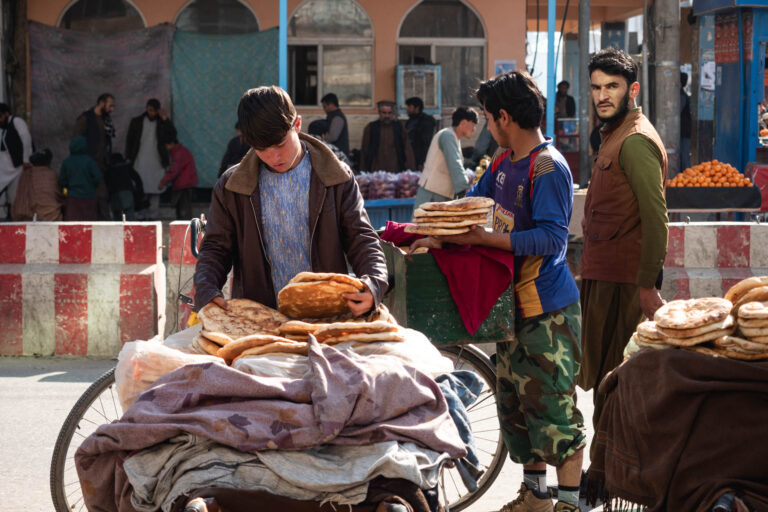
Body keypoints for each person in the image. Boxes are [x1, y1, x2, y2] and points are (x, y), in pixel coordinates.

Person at [410, 71, 585, 512]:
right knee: (516, 411)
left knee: (555, 416)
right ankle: (535, 498)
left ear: (505, 117)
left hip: (548, 312)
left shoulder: (548, 167)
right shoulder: (504, 163)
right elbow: (469, 205)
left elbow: (551, 239)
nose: (487, 125)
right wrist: (436, 234)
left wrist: (489, 240)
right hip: (510, 312)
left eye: (489, 117)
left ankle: (568, 504)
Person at [193, 86, 387, 316]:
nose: (274, 157)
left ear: (297, 124)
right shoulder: (231, 186)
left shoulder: (335, 177)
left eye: (280, 144)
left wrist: (373, 284)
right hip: (259, 318)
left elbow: (361, 238)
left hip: (328, 315)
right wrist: (206, 290)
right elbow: (216, 248)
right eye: (262, 149)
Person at [577, 48, 668, 427]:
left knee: (617, 384)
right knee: (603, 384)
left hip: (625, 284)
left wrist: (647, 285)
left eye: (612, 86)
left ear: (632, 90)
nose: (602, 95)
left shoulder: (634, 141)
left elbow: (656, 218)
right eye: (597, 87)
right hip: (604, 277)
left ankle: (611, 475)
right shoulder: (612, 136)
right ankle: (604, 473)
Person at [412, 106, 478, 211]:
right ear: (464, 123)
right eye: (473, 125)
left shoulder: (453, 137)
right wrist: (466, 190)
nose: (474, 129)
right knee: (423, 226)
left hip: (438, 195)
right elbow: (455, 164)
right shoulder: (447, 135)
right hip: (433, 196)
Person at [125, 98, 175, 219]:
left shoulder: (162, 123)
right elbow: (130, 141)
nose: (151, 113)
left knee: (155, 186)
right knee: (140, 186)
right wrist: (129, 157)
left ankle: (153, 215)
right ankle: (141, 215)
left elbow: (172, 135)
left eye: (154, 111)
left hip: (157, 160)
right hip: (140, 158)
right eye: (150, 110)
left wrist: (165, 119)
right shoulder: (137, 122)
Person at [74, 93, 115, 219]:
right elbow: (77, 141)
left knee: (101, 195)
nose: (111, 109)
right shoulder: (86, 118)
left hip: (101, 163)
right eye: (110, 105)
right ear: (102, 103)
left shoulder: (105, 119)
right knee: (97, 194)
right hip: (88, 163)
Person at [360, 100, 415, 173]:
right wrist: (363, 170)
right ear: (379, 113)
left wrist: (411, 169)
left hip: (395, 168)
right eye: (384, 113)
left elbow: (407, 148)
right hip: (376, 168)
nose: (387, 116)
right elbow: (365, 149)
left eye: (389, 113)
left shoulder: (399, 127)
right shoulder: (371, 127)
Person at [11, 148, 64, 221]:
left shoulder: (25, 174)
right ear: (48, 162)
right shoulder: (51, 174)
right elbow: (58, 195)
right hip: (51, 216)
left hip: (26, 217)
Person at [59, 135, 102, 221]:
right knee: (89, 224)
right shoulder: (89, 161)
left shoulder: (67, 162)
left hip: (72, 198)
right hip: (90, 196)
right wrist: (91, 187)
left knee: (73, 225)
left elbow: (62, 182)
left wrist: (65, 193)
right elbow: (97, 177)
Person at [0, 103, 33, 213]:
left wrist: (26, 160)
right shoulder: (5, 129)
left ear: (6, 114)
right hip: (8, 168)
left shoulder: (17, 121)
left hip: (20, 166)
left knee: (17, 195)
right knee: (11, 194)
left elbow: (26, 139)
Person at [159, 129, 199, 220]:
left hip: (183, 185)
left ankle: (184, 229)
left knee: (183, 210)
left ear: (172, 144)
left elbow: (174, 170)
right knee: (183, 209)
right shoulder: (181, 151)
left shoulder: (179, 153)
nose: (166, 147)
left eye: (167, 145)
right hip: (186, 183)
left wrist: (163, 182)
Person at [105, 153, 145, 221]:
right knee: (130, 217)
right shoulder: (127, 167)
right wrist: (140, 192)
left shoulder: (109, 170)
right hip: (128, 194)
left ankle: (117, 230)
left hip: (115, 195)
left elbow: (106, 184)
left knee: (117, 217)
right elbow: (138, 179)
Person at [405, 96, 437, 170]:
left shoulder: (426, 121)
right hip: (410, 157)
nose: (407, 109)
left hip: (420, 159)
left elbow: (426, 143)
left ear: (417, 108)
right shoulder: (410, 121)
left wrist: (422, 162)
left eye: (409, 106)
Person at [321, 93, 349, 158]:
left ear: (331, 105)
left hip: (339, 155)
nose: (324, 109)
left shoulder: (337, 117)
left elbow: (332, 137)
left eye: (325, 106)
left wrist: (323, 137)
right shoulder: (333, 116)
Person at [680, 72, 692, 173]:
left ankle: (686, 178)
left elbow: (677, 110)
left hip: (684, 131)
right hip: (683, 131)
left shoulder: (681, 96)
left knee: (684, 157)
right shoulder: (682, 95)